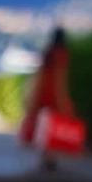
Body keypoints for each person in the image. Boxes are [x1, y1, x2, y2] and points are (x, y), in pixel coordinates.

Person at [21, 28, 77, 168]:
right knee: (54, 126)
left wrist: (33, 94)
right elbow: (60, 79)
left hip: (42, 92)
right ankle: (50, 157)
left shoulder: (47, 53)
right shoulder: (62, 54)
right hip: (53, 94)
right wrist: (63, 99)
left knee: (43, 125)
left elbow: (39, 74)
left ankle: (46, 156)